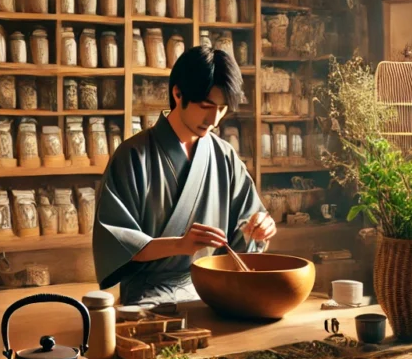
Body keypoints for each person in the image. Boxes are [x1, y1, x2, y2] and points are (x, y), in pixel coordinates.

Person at [93, 46, 276, 303]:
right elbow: (118, 243)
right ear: (178, 94)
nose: (214, 119)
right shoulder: (132, 156)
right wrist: (180, 244)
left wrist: (258, 229)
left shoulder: (225, 156)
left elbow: (243, 237)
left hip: (215, 289)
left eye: (222, 109)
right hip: (150, 295)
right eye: (205, 105)